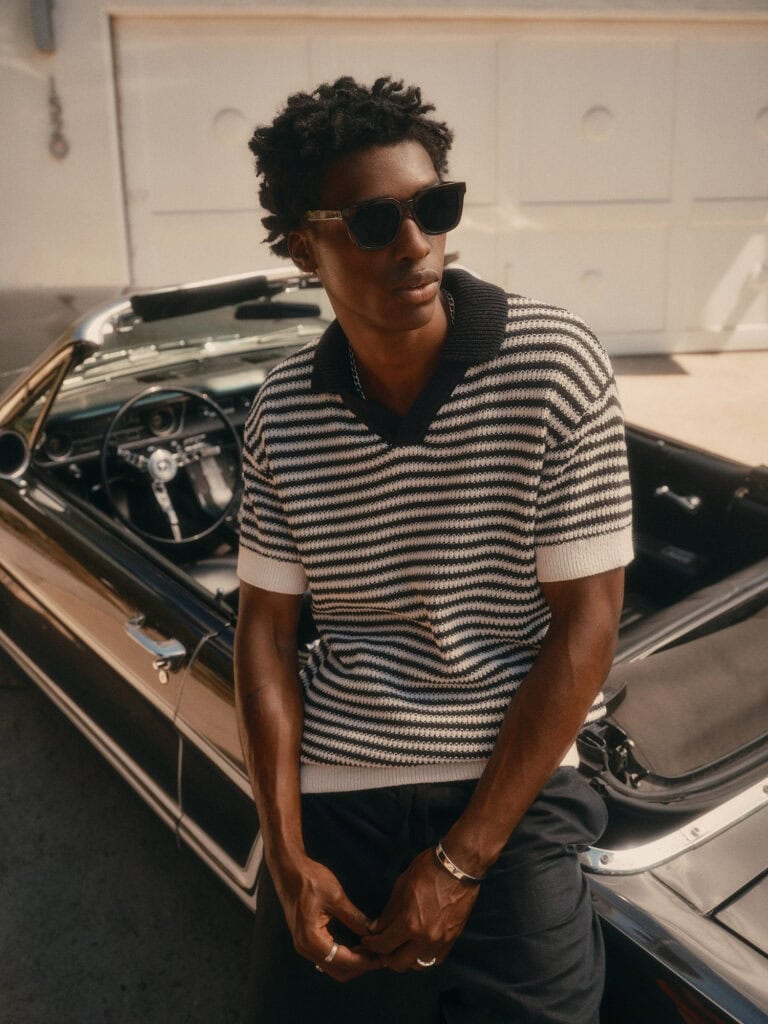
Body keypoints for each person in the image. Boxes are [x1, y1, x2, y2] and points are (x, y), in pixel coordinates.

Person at [234, 76, 633, 1023]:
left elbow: (588, 622)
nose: (415, 245)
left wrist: (460, 862)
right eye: (374, 222)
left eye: (435, 208)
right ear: (304, 247)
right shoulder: (281, 411)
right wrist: (284, 854)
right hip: (337, 789)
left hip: (513, 791)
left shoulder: (554, 363)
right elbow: (265, 635)